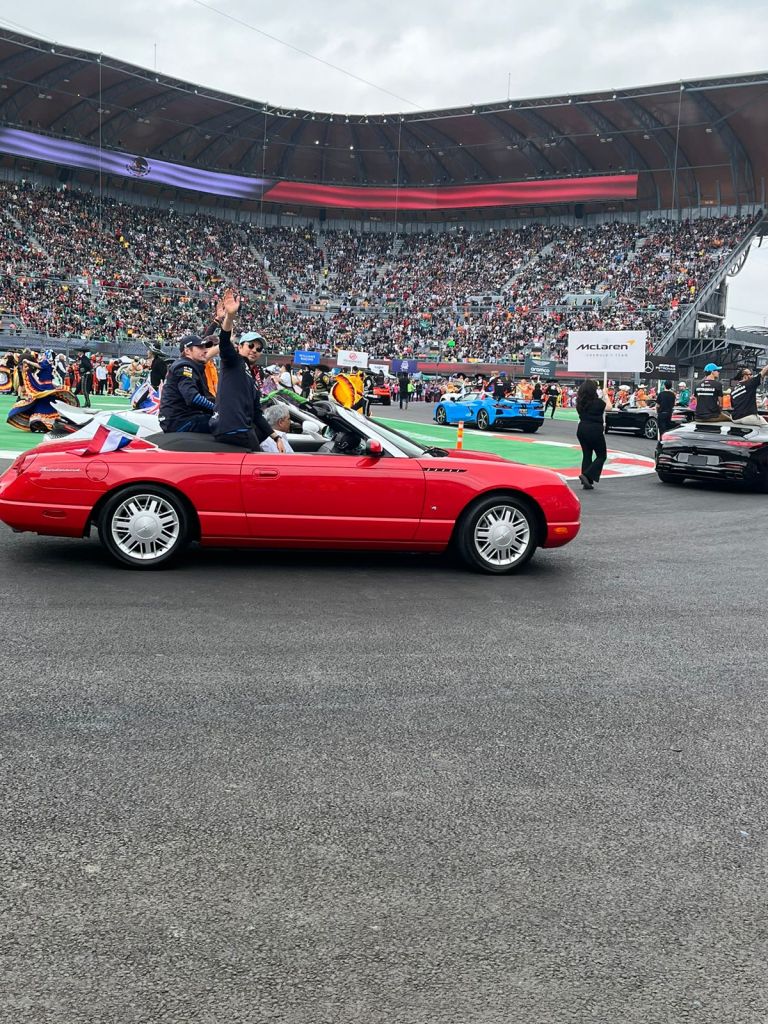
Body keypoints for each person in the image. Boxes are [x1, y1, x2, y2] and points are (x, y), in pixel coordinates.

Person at [211, 289, 285, 451]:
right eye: (250, 345)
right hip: (233, 430)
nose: (254, 350)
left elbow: (257, 413)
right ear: (239, 347)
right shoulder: (234, 361)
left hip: (242, 429)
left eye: (258, 349)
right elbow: (224, 342)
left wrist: (276, 437)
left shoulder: (252, 377)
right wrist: (230, 317)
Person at [158, 335, 216, 433]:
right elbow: (193, 398)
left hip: (181, 418)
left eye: (205, 347)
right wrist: (217, 409)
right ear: (187, 351)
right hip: (179, 421)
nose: (205, 350)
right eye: (200, 347)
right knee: (226, 423)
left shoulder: (193, 366)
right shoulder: (184, 366)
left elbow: (205, 397)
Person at [576, 379, 612, 490]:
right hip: (594, 430)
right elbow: (609, 407)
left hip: (581, 429)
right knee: (601, 455)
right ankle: (587, 475)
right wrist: (605, 395)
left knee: (587, 455)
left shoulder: (580, 403)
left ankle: (587, 482)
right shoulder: (598, 403)